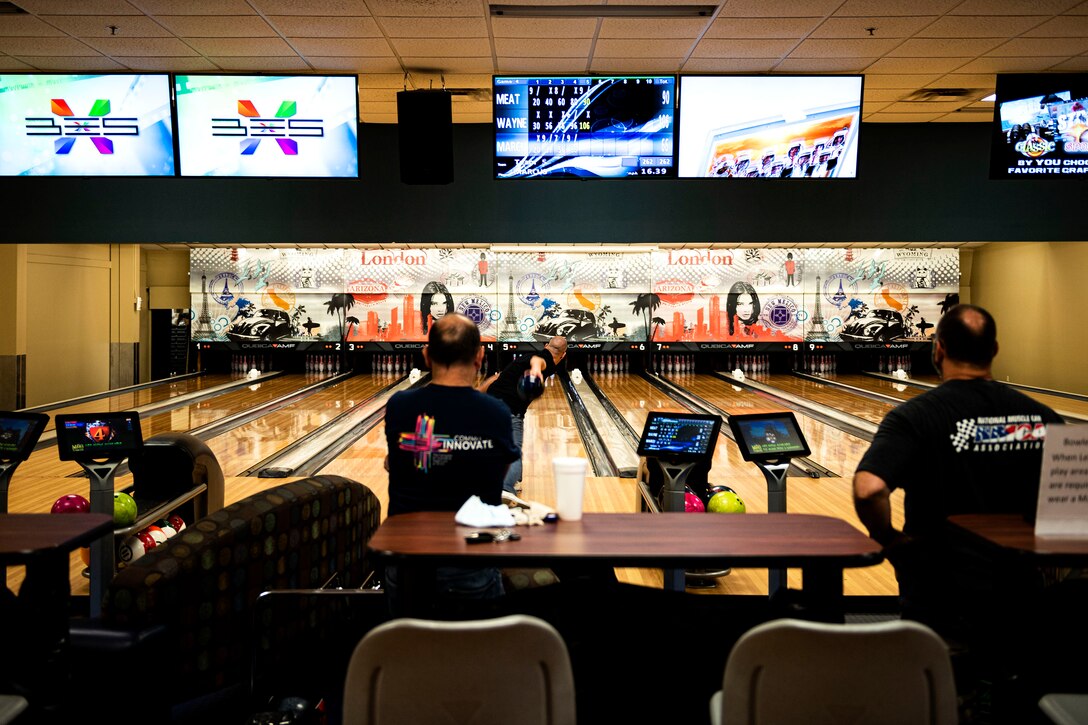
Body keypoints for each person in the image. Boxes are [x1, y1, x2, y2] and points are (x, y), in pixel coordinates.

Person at [853, 304, 1064, 714]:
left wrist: (889, 540)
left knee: (940, 700)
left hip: (939, 591)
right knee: (1019, 698)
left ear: (938, 348)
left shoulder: (914, 417)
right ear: (995, 349)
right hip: (1019, 594)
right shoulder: (1044, 418)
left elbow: (868, 489)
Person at [384, 313, 519, 605]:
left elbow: (396, 460)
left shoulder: (399, 405)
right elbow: (500, 470)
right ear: (480, 355)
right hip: (472, 562)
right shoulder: (495, 411)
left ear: (426, 354)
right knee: (473, 648)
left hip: (405, 562)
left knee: (407, 646)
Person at [479, 335, 567, 496]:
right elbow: (538, 361)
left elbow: (497, 377)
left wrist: (475, 395)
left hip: (488, 405)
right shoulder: (543, 359)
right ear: (564, 354)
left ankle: (512, 479)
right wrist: (535, 372)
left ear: (546, 345)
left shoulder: (524, 358)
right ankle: (505, 488)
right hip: (509, 410)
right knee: (513, 449)